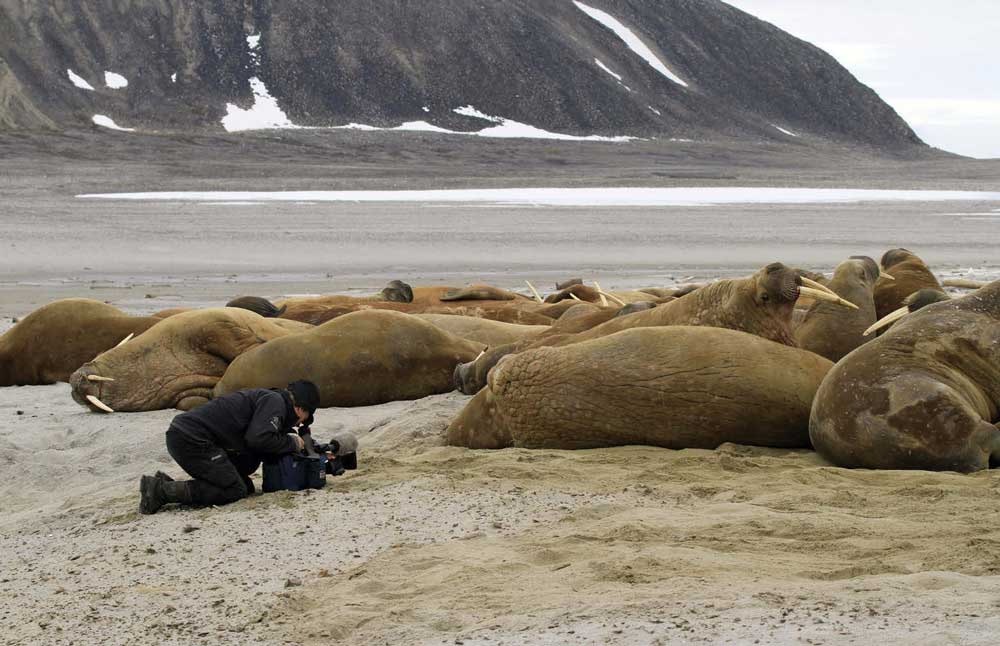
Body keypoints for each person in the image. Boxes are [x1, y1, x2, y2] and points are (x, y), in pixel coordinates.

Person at [139, 380, 321, 514]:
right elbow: (257, 439)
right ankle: (158, 490)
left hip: (188, 435)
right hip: (193, 439)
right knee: (234, 490)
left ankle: (168, 484)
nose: (301, 423)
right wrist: (292, 442)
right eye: (307, 417)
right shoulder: (275, 403)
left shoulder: (271, 400)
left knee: (245, 485)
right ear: (300, 409)